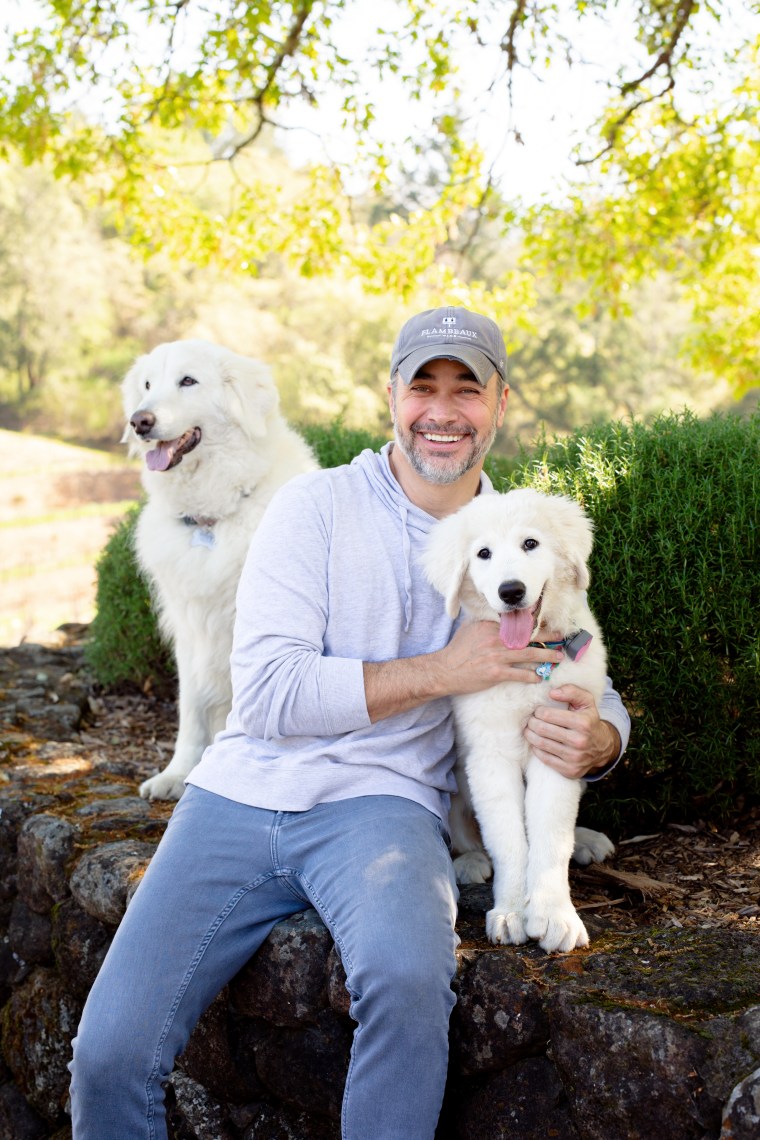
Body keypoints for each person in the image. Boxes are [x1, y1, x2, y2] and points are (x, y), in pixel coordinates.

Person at [69, 306, 630, 1139]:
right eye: (422, 386)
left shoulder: (511, 536)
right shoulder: (311, 507)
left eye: (466, 389)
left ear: (499, 405)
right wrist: (444, 670)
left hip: (385, 811)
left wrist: (607, 734)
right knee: (107, 1054)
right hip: (239, 793)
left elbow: (574, 646)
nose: (442, 410)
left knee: (407, 989)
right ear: (390, 397)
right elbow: (266, 694)